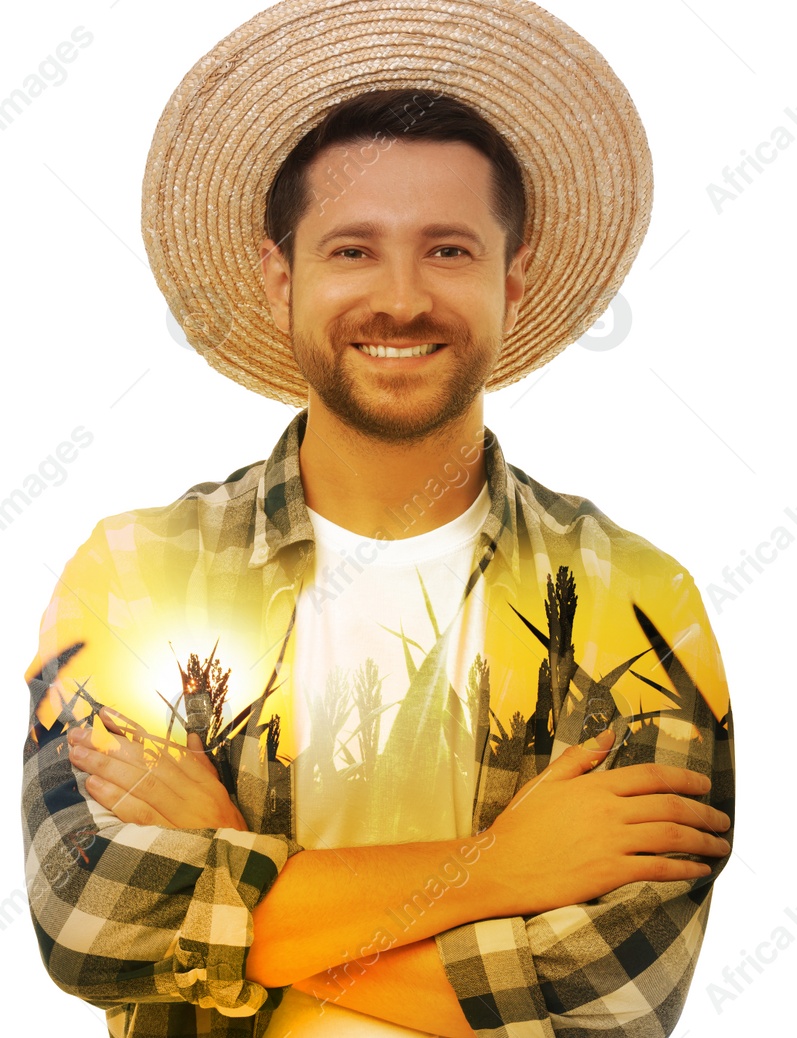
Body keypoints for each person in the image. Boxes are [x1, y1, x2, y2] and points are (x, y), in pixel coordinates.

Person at [19, 2, 735, 1036]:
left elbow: (605, 1006)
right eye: (353, 250)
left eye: (447, 251)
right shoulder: (138, 572)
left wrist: (228, 881)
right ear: (282, 277)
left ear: (513, 279)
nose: (401, 299)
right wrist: (500, 869)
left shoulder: (635, 596)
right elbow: (89, 924)